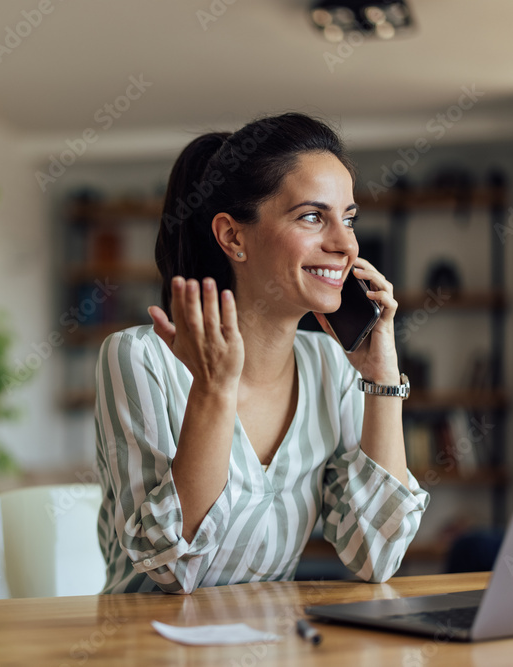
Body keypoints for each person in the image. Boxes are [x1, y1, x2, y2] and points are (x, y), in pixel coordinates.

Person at [94, 112, 429, 594]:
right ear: (233, 236)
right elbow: (170, 572)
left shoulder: (330, 367)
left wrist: (382, 379)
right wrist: (213, 390)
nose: (344, 245)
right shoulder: (139, 357)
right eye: (313, 216)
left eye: (349, 219)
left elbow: (376, 555)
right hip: (149, 650)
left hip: (273, 646)